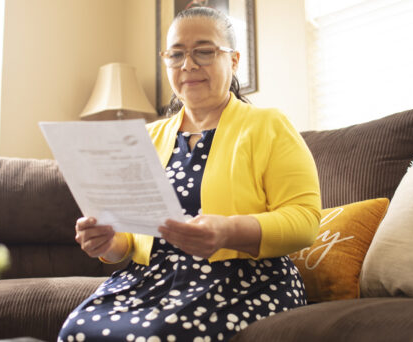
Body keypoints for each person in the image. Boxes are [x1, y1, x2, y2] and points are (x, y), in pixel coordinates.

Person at [58, 7, 321, 342]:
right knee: (75, 330)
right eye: (176, 54)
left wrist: (228, 231)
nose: (188, 65)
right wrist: (109, 243)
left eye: (204, 52)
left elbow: (305, 221)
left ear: (234, 60)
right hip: (150, 280)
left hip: (242, 279)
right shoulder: (148, 138)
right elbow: (130, 240)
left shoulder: (268, 125)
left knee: (156, 337)